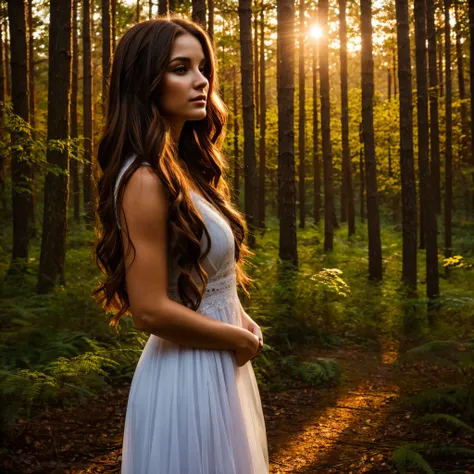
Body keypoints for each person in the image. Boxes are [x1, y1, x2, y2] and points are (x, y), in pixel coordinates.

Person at [93, 15, 269, 474]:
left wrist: (242, 320)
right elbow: (149, 309)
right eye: (180, 68)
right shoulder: (145, 179)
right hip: (185, 375)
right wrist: (235, 339)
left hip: (218, 363)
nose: (201, 80)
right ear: (145, 81)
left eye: (202, 66)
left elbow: (206, 277)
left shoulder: (184, 170)